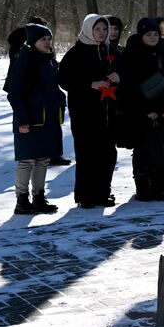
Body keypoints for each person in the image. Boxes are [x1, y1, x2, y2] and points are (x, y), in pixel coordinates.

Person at [117, 17, 164, 200]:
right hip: (139, 112)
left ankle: (158, 186)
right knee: (142, 152)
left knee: (161, 149)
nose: (153, 37)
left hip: (163, 110)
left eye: (155, 33)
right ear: (141, 35)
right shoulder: (131, 55)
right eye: (149, 34)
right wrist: (147, 108)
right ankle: (143, 188)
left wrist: (163, 107)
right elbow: (128, 86)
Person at [57, 14, 120, 208]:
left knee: (108, 153)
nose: (101, 33)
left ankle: (103, 192)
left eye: (104, 29)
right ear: (88, 30)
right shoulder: (76, 52)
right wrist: (89, 84)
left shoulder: (110, 50)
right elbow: (63, 79)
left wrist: (119, 76)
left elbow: (124, 72)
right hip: (84, 111)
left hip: (108, 110)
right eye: (97, 29)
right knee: (87, 154)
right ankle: (86, 196)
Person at [5, 23, 64, 214]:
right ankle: (22, 200)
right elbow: (14, 93)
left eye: (49, 39)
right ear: (33, 42)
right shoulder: (24, 61)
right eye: (43, 39)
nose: (47, 42)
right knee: (27, 160)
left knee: (43, 160)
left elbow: (53, 88)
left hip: (48, 119)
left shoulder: (49, 60)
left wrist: (60, 103)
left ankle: (39, 197)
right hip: (28, 120)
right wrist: (22, 120)